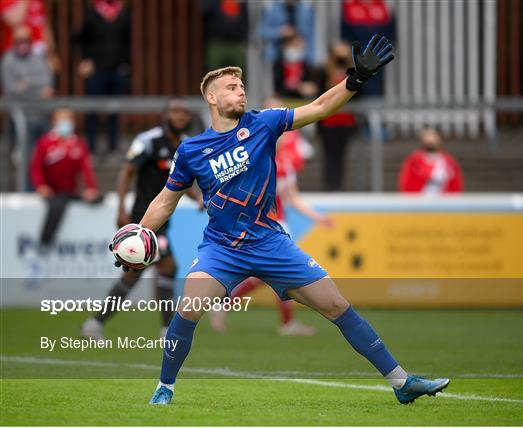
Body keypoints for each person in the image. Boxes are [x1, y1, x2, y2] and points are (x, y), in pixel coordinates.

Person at [112, 35, 449, 405]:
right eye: (231, 87)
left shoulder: (264, 123)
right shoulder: (191, 150)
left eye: (241, 86)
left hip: (271, 242)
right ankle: (165, 387)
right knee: (188, 307)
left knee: (336, 305)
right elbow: (165, 200)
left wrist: (356, 80)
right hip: (222, 248)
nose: (241, 91)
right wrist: (140, 233)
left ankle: (402, 383)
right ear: (211, 97)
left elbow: (320, 107)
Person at [81, 98, 203, 340]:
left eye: (184, 113)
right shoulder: (148, 140)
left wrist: (197, 197)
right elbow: (127, 171)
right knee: (164, 267)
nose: (180, 116)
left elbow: (179, 182)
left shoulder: (187, 145)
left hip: (162, 220)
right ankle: (165, 330)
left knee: (141, 272)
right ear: (165, 115)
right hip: (143, 220)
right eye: (175, 111)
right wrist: (121, 208)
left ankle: (95, 324)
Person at [210, 97, 332, 336]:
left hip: (279, 225)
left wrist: (317, 217)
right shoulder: (247, 158)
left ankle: (229, 303)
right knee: (277, 274)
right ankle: (281, 322)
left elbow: (292, 197)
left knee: (270, 276)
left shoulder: (284, 162)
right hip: (260, 226)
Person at [30, 109, 101, 247]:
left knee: (97, 199)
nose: (65, 123)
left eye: (68, 120)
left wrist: (91, 188)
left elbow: (86, 169)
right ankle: (45, 240)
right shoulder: (45, 143)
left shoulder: (78, 144)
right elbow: (36, 167)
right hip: (51, 191)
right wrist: (41, 186)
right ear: (54, 122)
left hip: (69, 191)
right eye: (62, 120)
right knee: (58, 204)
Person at [71, 0, 131, 154]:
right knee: (92, 110)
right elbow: (78, 39)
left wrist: (126, 63)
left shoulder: (123, 14)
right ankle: (91, 147)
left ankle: (113, 147)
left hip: (116, 71)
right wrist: (84, 60)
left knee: (115, 110)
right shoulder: (92, 14)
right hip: (96, 72)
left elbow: (127, 41)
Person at [1, 24, 54, 188]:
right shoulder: (7, 60)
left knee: (47, 157)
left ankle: (45, 187)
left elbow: (47, 85)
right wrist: (33, 88)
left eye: (26, 40)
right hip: (21, 117)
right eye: (19, 40)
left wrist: (26, 85)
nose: (23, 43)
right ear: (13, 41)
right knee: (25, 157)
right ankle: (26, 190)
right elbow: (11, 90)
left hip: (42, 115)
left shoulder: (39, 58)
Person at [316, 41, 358, 190]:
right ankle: (329, 186)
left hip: (346, 121)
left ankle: (338, 186)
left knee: (341, 156)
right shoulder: (325, 71)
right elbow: (319, 96)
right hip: (329, 122)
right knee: (330, 156)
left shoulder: (353, 70)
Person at [398, 127, 464, 194]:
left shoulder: (449, 162)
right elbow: (405, 182)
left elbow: (456, 184)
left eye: (433, 136)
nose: (430, 139)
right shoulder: (413, 160)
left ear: (439, 139)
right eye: (427, 136)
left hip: (443, 201)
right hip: (419, 201)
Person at [0, 0, 59, 71]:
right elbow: (15, 20)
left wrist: (51, 54)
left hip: (39, 52)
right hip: (18, 54)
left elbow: (44, 25)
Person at [200, 0, 248, 72]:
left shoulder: (241, 3)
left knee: (237, 75)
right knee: (214, 74)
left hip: (237, 43)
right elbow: (204, 9)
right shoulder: (212, 3)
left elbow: (246, 19)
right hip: (217, 43)